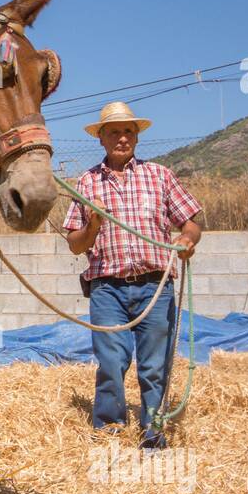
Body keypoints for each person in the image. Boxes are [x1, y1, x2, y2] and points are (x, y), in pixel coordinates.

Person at [61, 102, 204, 449]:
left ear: (137, 137)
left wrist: (186, 239)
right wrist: (92, 226)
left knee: (154, 366)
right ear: (101, 139)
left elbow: (192, 220)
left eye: (128, 131)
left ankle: (153, 433)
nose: (121, 138)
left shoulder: (160, 176)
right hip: (107, 289)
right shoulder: (86, 183)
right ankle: (109, 429)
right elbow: (75, 245)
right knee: (111, 361)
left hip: (155, 287)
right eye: (114, 132)